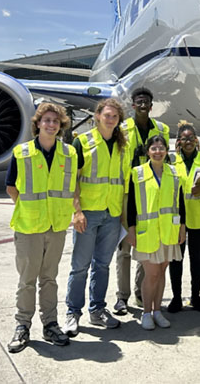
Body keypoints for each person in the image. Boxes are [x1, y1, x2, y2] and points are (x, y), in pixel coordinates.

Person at [4, 102, 78, 353]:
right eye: (46, 120)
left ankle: (50, 324)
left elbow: (72, 186)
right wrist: (30, 210)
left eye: (55, 121)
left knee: (50, 279)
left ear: (61, 126)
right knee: (27, 280)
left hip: (56, 226)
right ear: (38, 124)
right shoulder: (22, 153)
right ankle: (22, 326)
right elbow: (11, 187)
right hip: (29, 227)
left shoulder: (69, 154)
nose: (51, 124)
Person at [64, 98, 129, 336]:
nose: (111, 119)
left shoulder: (124, 146)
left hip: (112, 214)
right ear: (98, 116)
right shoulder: (83, 142)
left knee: (102, 265)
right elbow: (73, 180)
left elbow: (123, 184)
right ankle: (73, 312)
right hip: (88, 214)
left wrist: (123, 217)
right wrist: (77, 211)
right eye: (107, 115)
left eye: (115, 116)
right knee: (79, 266)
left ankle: (98, 309)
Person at [114, 87, 170, 314]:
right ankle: (122, 296)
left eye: (147, 100)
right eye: (139, 101)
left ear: (151, 104)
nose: (143, 104)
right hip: (129, 193)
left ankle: (141, 292)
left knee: (146, 247)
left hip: (151, 194)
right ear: (133, 105)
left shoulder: (161, 129)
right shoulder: (123, 129)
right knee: (125, 248)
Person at [125, 135, 186, 330]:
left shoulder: (174, 174)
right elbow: (132, 205)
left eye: (161, 148)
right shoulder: (138, 173)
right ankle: (146, 313)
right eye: (154, 148)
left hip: (168, 231)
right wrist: (131, 231)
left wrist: (182, 227)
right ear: (148, 152)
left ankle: (158, 311)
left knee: (161, 272)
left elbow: (180, 203)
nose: (158, 152)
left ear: (166, 151)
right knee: (151, 274)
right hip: (147, 232)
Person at [168, 121, 200, 312]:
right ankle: (176, 297)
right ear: (178, 142)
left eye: (191, 138)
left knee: (197, 258)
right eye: (184, 138)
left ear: (196, 140)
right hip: (178, 219)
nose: (188, 142)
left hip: (199, 216)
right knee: (176, 259)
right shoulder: (171, 163)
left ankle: (196, 296)